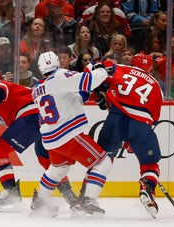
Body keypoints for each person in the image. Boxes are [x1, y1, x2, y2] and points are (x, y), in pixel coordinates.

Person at [0, 70, 78, 213]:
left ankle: (11, 193)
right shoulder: (13, 93)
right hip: (45, 118)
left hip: (31, 116)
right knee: (45, 158)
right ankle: (71, 197)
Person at [31, 51, 113, 217]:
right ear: (57, 63)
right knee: (103, 163)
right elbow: (90, 81)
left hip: (50, 139)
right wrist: (99, 69)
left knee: (58, 170)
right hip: (68, 134)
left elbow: (73, 98)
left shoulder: (36, 88)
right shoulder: (60, 76)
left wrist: (87, 82)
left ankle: (39, 202)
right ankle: (88, 202)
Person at [95, 53, 163, 218]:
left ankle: (86, 197)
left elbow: (98, 72)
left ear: (132, 63)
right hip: (140, 124)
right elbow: (152, 119)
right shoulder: (156, 86)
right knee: (150, 164)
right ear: (151, 69)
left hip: (115, 119)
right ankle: (147, 188)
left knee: (101, 160)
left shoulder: (121, 69)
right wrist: (133, 139)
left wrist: (100, 96)